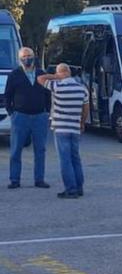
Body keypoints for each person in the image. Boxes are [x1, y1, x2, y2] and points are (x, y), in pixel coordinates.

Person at [38, 64, 89, 199]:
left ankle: (70, 190)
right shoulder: (82, 89)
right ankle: (79, 187)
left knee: (65, 160)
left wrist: (55, 76)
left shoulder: (57, 87)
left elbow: (40, 78)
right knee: (75, 158)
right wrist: (82, 123)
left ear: (61, 73)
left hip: (61, 127)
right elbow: (86, 108)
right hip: (75, 127)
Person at [4, 47, 51, 189]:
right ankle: (14, 180)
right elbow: (8, 95)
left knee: (40, 150)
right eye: (24, 57)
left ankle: (39, 180)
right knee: (15, 150)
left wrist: (47, 111)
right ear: (20, 59)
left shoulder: (42, 74)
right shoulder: (14, 74)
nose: (27, 59)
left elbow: (48, 94)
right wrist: (12, 112)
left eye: (29, 56)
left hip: (39, 117)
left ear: (34, 56)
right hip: (20, 117)